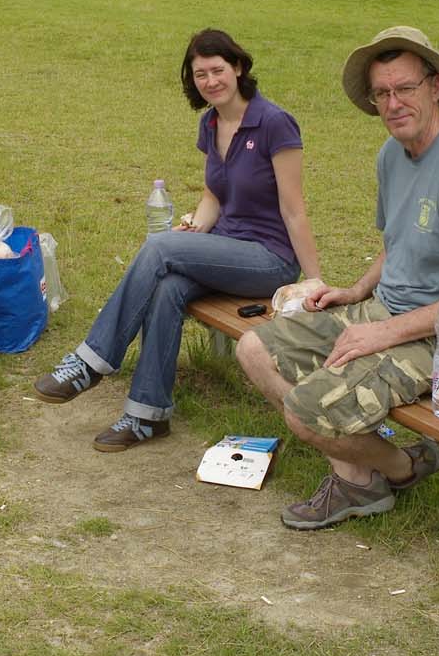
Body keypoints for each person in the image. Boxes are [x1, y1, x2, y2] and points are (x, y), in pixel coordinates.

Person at [237, 26, 439, 529]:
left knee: (304, 411)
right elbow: (397, 243)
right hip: (385, 310)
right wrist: (357, 291)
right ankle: (380, 471)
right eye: (382, 93)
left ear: (434, 87)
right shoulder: (392, 155)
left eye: (404, 88)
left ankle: (382, 472)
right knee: (253, 349)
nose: (393, 103)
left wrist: (381, 332)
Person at [33, 28, 323, 451]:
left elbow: (294, 208)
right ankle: (147, 415)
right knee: (167, 285)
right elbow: (213, 195)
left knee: (160, 247)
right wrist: (197, 230)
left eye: (217, 70)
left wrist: (315, 280)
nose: (210, 81)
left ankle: (91, 361)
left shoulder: (275, 123)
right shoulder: (210, 123)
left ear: (238, 68)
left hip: (269, 259)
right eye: (200, 73)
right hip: (226, 247)